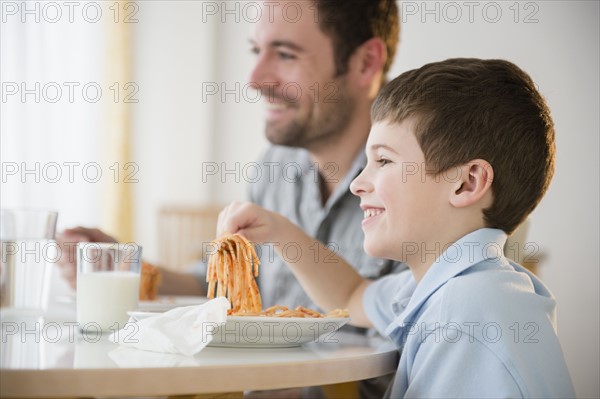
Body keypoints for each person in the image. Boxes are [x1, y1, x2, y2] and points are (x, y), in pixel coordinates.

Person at [58, 0, 402, 397]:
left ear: (365, 63)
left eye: (286, 54)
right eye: (257, 52)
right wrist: (127, 270)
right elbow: (217, 283)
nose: (255, 79)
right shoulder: (275, 165)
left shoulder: (417, 183)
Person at [215, 58, 576, 398]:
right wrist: (278, 231)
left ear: (467, 184)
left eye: (384, 160)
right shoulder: (443, 286)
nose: (357, 184)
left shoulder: (466, 313)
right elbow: (350, 296)